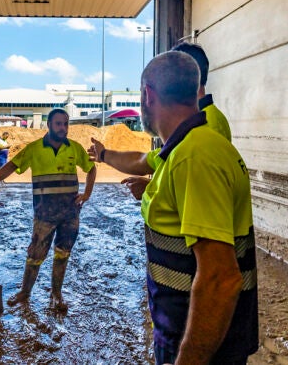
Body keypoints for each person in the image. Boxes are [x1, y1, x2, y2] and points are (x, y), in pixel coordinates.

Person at [88, 51, 258, 364]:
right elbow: (142, 161)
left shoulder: (194, 157)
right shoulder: (185, 147)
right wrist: (104, 155)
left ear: (147, 95)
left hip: (199, 345)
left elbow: (220, 278)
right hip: (191, 333)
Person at [0, 109, 97, 312]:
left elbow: (91, 169)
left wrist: (87, 194)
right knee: (35, 255)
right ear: (49, 125)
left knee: (63, 254)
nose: (63, 128)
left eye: (66, 124)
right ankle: (25, 292)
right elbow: (11, 166)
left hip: (70, 214)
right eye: (58, 124)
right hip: (44, 215)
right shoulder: (34, 149)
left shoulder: (74, 148)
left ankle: (56, 294)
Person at [99, 41, 232, 201]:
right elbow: (144, 161)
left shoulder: (207, 126)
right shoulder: (193, 124)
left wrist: (153, 190)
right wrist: (103, 154)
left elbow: (202, 195)